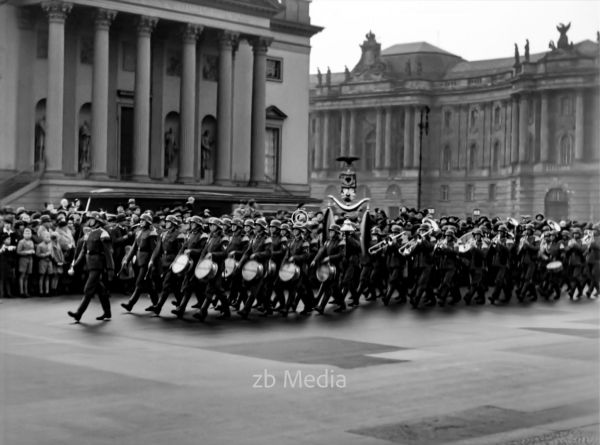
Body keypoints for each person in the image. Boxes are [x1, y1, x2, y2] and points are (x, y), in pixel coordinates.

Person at [67, 212, 115, 322]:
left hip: (98, 264)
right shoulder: (89, 233)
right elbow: (83, 251)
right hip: (90, 264)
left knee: (88, 289)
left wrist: (110, 268)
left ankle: (78, 313)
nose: (89, 221)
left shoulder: (103, 234)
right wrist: (74, 265)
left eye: (91, 219)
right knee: (100, 289)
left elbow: (108, 253)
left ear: (97, 221)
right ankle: (107, 313)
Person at [16, 227, 35, 297]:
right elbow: (18, 252)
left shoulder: (31, 241)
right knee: (22, 275)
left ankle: (26, 291)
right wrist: (27, 252)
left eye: (29, 233)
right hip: (23, 259)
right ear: (23, 234)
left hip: (30, 259)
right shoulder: (21, 242)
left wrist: (32, 251)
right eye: (26, 233)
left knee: (27, 276)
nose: (28, 234)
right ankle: (21, 291)